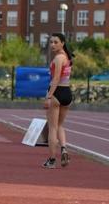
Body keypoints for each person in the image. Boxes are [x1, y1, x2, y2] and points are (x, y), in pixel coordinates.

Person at [43, 33, 74, 169]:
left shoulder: (58, 58)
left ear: (63, 43)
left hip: (57, 92)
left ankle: (51, 160)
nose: (52, 45)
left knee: (53, 127)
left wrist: (49, 96)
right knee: (60, 125)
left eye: (56, 42)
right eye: (51, 42)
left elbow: (55, 79)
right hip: (67, 92)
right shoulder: (68, 57)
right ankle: (64, 149)